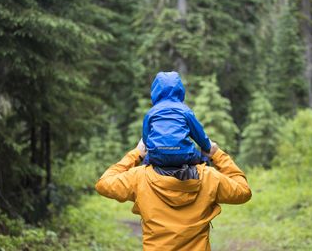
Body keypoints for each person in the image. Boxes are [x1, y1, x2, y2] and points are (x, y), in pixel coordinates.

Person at [95, 139, 252, 250]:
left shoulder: (139, 177)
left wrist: (135, 154)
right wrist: (217, 154)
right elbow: (243, 192)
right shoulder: (209, 177)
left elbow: (103, 184)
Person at [142, 71, 211, 167]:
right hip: (184, 155)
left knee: (144, 163)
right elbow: (200, 136)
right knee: (204, 160)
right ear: (179, 89)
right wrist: (207, 147)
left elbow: (145, 139)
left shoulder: (151, 112)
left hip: (157, 156)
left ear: (156, 90)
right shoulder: (185, 110)